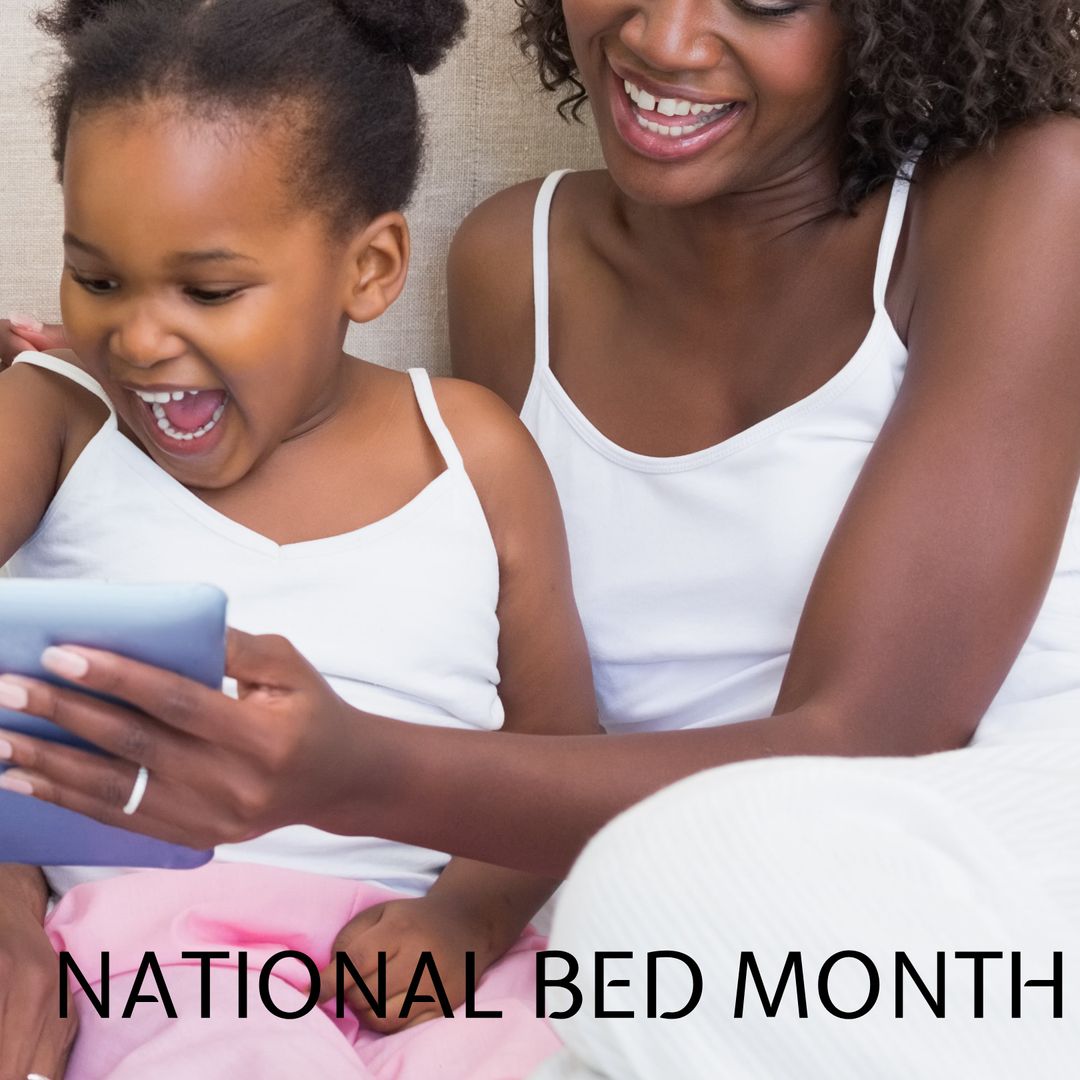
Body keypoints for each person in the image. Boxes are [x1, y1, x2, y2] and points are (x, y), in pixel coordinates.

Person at [3, 0, 1080, 1074]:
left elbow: (868, 746)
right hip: (625, 928)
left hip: (932, 896)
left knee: (642, 920)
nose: (665, 38)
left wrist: (367, 795)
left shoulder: (1025, 191)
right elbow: (480, 635)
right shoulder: (513, 258)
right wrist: (154, 348)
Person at [0, 1, 601, 1078]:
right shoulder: (54, 416)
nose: (136, 337)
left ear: (368, 270)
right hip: (155, 953)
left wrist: (466, 919)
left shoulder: (473, 450)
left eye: (210, 288)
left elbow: (558, 754)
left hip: (430, 956)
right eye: (98, 278)